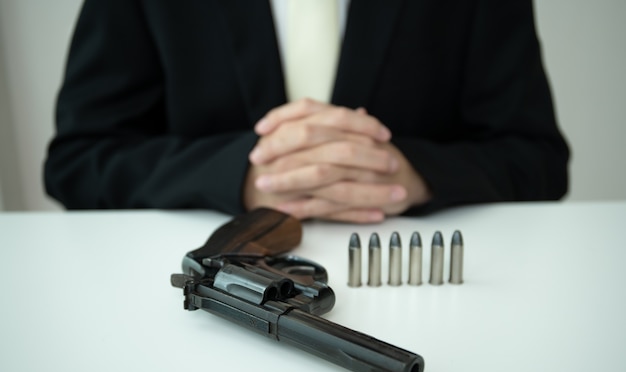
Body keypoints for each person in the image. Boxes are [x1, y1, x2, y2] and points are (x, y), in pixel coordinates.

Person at [44, 0, 569, 223]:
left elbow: (538, 160)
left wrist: (413, 175)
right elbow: (79, 161)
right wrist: (240, 176)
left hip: (420, 282)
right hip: (208, 293)